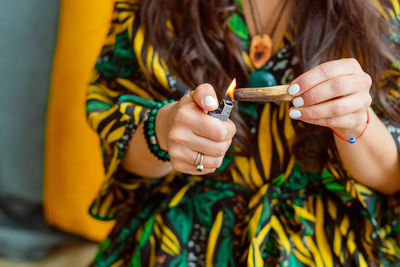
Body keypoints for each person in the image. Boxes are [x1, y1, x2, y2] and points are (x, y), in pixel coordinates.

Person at [86, 0, 400, 265]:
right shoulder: (152, 8)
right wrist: (166, 130)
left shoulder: (381, 9)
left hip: (327, 237)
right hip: (180, 234)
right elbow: (120, 151)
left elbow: (391, 179)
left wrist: (356, 122)